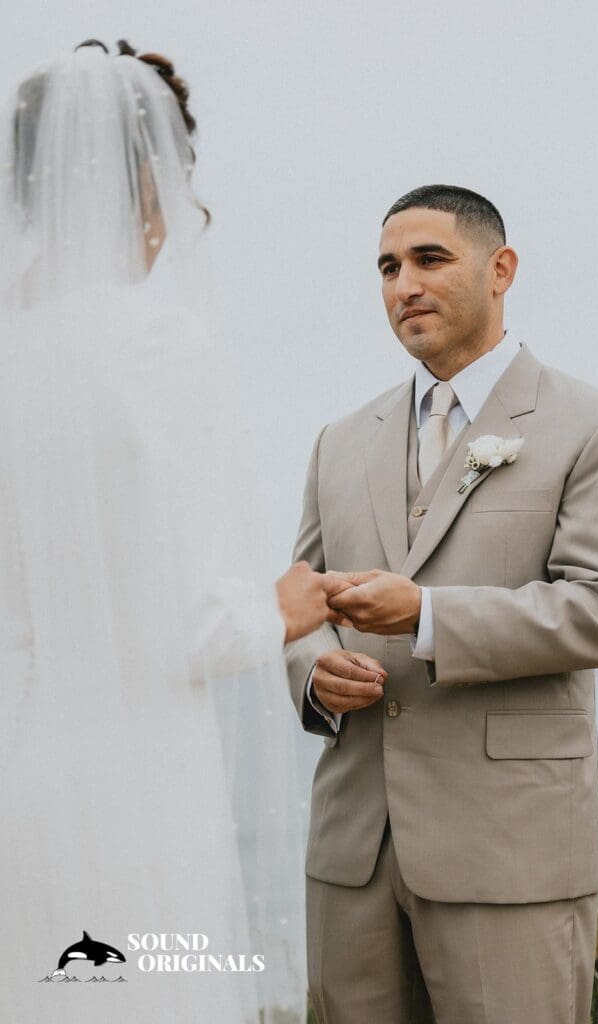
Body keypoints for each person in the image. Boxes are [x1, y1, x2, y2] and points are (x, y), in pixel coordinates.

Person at [0, 40, 334, 1024]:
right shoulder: (153, 343)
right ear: (148, 189)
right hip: (128, 782)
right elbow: (188, 629)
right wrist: (281, 605)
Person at [285, 185, 598, 1024]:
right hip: (353, 850)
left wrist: (426, 615)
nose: (402, 285)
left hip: (509, 848)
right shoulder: (338, 442)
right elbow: (301, 604)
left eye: (428, 259)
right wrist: (312, 674)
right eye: (386, 268)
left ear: (501, 270)